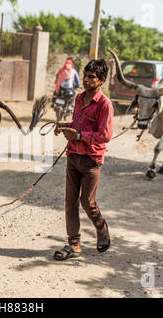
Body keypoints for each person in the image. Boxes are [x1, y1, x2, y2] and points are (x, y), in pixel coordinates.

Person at [53, 59, 113, 260]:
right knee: (70, 202)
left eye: (91, 77)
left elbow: (104, 135)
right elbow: (77, 123)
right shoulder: (79, 99)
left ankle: (101, 227)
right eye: (85, 75)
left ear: (101, 80)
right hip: (73, 157)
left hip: (91, 161)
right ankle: (74, 245)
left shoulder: (104, 104)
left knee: (87, 202)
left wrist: (78, 136)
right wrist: (64, 126)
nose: (86, 80)